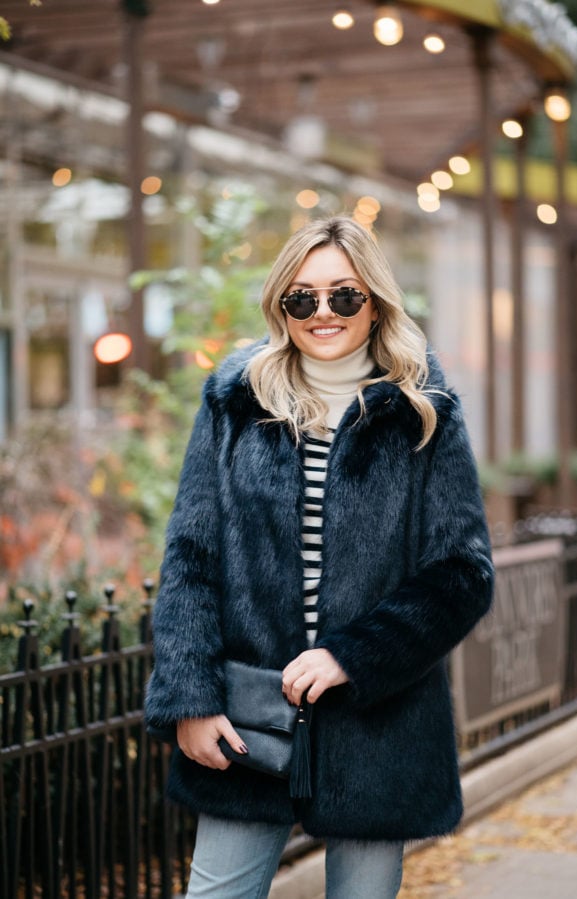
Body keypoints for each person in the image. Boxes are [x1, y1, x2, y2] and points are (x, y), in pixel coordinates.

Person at [145, 215, 494, 898]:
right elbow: (191, 557)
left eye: (344, 295)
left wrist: (351, 655)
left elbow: (462, 572)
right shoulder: (235, 399)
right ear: (281, 305)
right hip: (245, 718)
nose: (323, 312)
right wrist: (191, 696)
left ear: (375, 302)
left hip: (378, 722)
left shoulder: (422, 409)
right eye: (301, 297)